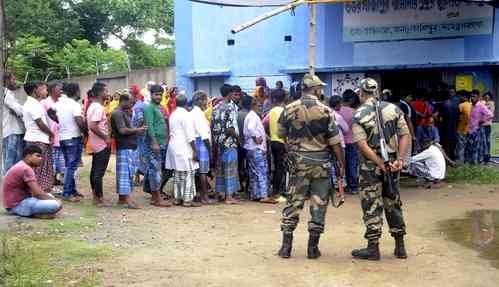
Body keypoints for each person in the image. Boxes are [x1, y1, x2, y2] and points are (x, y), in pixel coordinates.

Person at [277, 74, 345, 259]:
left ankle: (286, 248)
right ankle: (313, 248)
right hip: (321, 163)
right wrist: (341, 163)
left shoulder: (289, 109)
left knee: (293, 202)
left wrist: (291, 146)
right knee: (319, 203)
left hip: (298, 163)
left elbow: (280, 133)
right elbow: (335, 142)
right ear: (315, 89)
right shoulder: (326, 111)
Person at [351, 78, 410, 261]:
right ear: (376, 91)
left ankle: (373, 248)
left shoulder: (359, 114)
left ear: (361, 93)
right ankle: (400, 247)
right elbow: (405, 135)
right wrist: (399, 159)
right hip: (393, 164)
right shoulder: (394, 109)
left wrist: (378, 162)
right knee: (392, 201)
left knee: (371, 205)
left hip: (370, 167)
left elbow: (362, 145)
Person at [3, 145, 62, 219]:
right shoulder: (26, 168)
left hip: (14, 204)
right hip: (17, 205)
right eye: (37, 156)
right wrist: (56, 201)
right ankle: (34, 213)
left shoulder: (22, 165)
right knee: (55, 205)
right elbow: (37, 193)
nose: (40, 159)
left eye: (41, 156)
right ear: (28, 156)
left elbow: (35, 192)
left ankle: (37, 213)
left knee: (50, 196)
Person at [111, 93, 146, 209]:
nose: (132, 105)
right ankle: (127, 200)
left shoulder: (124, 112)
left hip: (129, 147)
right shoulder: (117, 113)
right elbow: (122, 130)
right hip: (124, 147)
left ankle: (122, 199)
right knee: (125, 174)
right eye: (130, 102)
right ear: (124, 101)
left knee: (128, 173)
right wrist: (137, 130)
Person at [165, 94, 200, 207]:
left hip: (174, 146)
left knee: (178, 173)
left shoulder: (173, 114)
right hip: (184, 147)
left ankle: (177, 198)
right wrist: (195, 150)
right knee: (189, 173)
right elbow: (190, 136)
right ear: (186, 104)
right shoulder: (186, 115)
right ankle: (187, 200)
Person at [54, 83, 86, 202]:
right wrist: (86, 132)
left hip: (63, 137)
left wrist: (61, 122)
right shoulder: (74, 105)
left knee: (69, 165)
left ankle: (71, 190)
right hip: (73, 137)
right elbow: (79, 120)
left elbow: (50, 112)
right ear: (76, 91)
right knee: (71, 166)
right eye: (79, 90)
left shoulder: (59, 103)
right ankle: (67, 193)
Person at [22, 81, 55, 193]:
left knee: (41, 168)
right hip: (37, 140)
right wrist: (51, 133)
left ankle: (41, 191)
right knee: (39, 168)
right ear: (36, 90)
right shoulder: (32, 105)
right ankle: (39, 192)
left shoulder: (35, 103)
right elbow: (40, 123)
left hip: (38, 139)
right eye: (44, 89)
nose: (46, 91)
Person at [243, 95, 276, 204]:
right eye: (259, 105)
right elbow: (251, 128)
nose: (261, 107)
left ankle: (256, 194)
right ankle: (263, 195)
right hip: (257, 148)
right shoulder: (253, 116)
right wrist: (256, 138)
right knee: (261, 171)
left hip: (251, 148)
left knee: (254, 172)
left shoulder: (251, 116)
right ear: (253, 105)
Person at [211, 84, 240, 204]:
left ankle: (219, 194)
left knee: (220, 169)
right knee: (230, 169)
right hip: (229, 142)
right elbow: (230, 128)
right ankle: (229, 197)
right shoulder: (231, 108)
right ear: (229, 94)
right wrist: (238, 139)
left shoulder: (215, 107)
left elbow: (212, 126)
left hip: (218, 142)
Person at [143, 84, 171, 207]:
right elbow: (149, 125)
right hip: (154, 144)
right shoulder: (149, 108)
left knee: (156, 170)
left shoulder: (160, 107)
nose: (158, 96)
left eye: (160, 94)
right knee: (155, 171)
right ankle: (157, 198)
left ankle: (155, 197)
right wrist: (154, 142)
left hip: (162, 142)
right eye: (156, 94)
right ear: (151, 95)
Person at [87, 82, 112, 206]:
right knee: (99, 172)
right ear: (101, 92)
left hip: (97, 143)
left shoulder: (92, 106)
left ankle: (95, 196)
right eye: (106, 91)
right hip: (101, 144)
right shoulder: (98, 107)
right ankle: (99, 198)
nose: (108, 93)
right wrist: (106, 138)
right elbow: (93, 126)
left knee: (95, 170)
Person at [190, 90, 212, 204]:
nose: (206, 103)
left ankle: (200, 195)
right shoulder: (198, 114)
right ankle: (204, 197)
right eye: (205, 100)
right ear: (199, 101)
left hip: (196, 143)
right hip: (202, 144)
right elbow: (204, 135)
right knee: (203, 172)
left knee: (199, 172)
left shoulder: (193, 113)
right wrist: (210, 150)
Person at [42, 82, 65, 186]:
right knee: (53, 159)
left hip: (62, 135)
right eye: (59, 89)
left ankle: (60, 180)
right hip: (51, 136)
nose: (61, 90)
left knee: (62, 160)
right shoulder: (45, 103)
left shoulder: (62, 102)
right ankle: (52, 180)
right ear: (52, 90)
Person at [2, 72, 25, 174]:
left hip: (12, 130)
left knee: (14, 161)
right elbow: (20, 111)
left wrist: (19, 110)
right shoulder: (6, 94)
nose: (15, 82)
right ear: (6, 81)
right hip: (12, 130)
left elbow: (18, 111)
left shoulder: (9, 94)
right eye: (13, 79)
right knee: (12, 162)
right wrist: (20, 110)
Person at [338, 89, 359, 194]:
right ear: (351, 100)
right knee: (352, 164)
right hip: (353, 141)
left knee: (341, 165)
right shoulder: (354, 112)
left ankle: (341, 187)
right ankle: (353, 187)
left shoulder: (337, 110)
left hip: (340, 143)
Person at [267, 89, 287, 198]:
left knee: (277, 167)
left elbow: (263, 123)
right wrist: (287, 144)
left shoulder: (271, 111)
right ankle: (277, 191)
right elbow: (285, 130)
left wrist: (269, 137)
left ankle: (276, 189)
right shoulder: (284, 111)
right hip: (282, 142)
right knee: (281, 168)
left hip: (273, 142)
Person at [468, 90, 493, 164]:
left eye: (474, 96)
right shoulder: (472, 105)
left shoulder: (481, 105)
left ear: (478, 97)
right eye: (471, 96)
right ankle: (473, 163)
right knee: (472, 147)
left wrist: (482, 120)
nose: (472, 98)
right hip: (471, 130)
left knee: (477, 147)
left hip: (478, 129)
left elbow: (490, 115)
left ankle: (476, 163)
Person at [455, 90, 472, 163]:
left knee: (461, 146)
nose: (459, 98)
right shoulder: (472, 105)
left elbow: (459, 117)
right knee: (469, 146)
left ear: (464, 97)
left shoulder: (461, 105)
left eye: (460, 96)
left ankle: (460, 162)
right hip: (470, 129)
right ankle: (467, 161)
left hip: (461, 129)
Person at [481, 92, 495, 163]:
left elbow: (490, 114)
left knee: (487, 140)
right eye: (485, 97)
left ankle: (487, 157)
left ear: (490, 97)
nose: (486, 98)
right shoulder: (483, 103)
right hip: (483, 124)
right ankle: (484, 156)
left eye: (487, 97)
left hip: (487, 124)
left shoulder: (491, 103)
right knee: (484, 141)